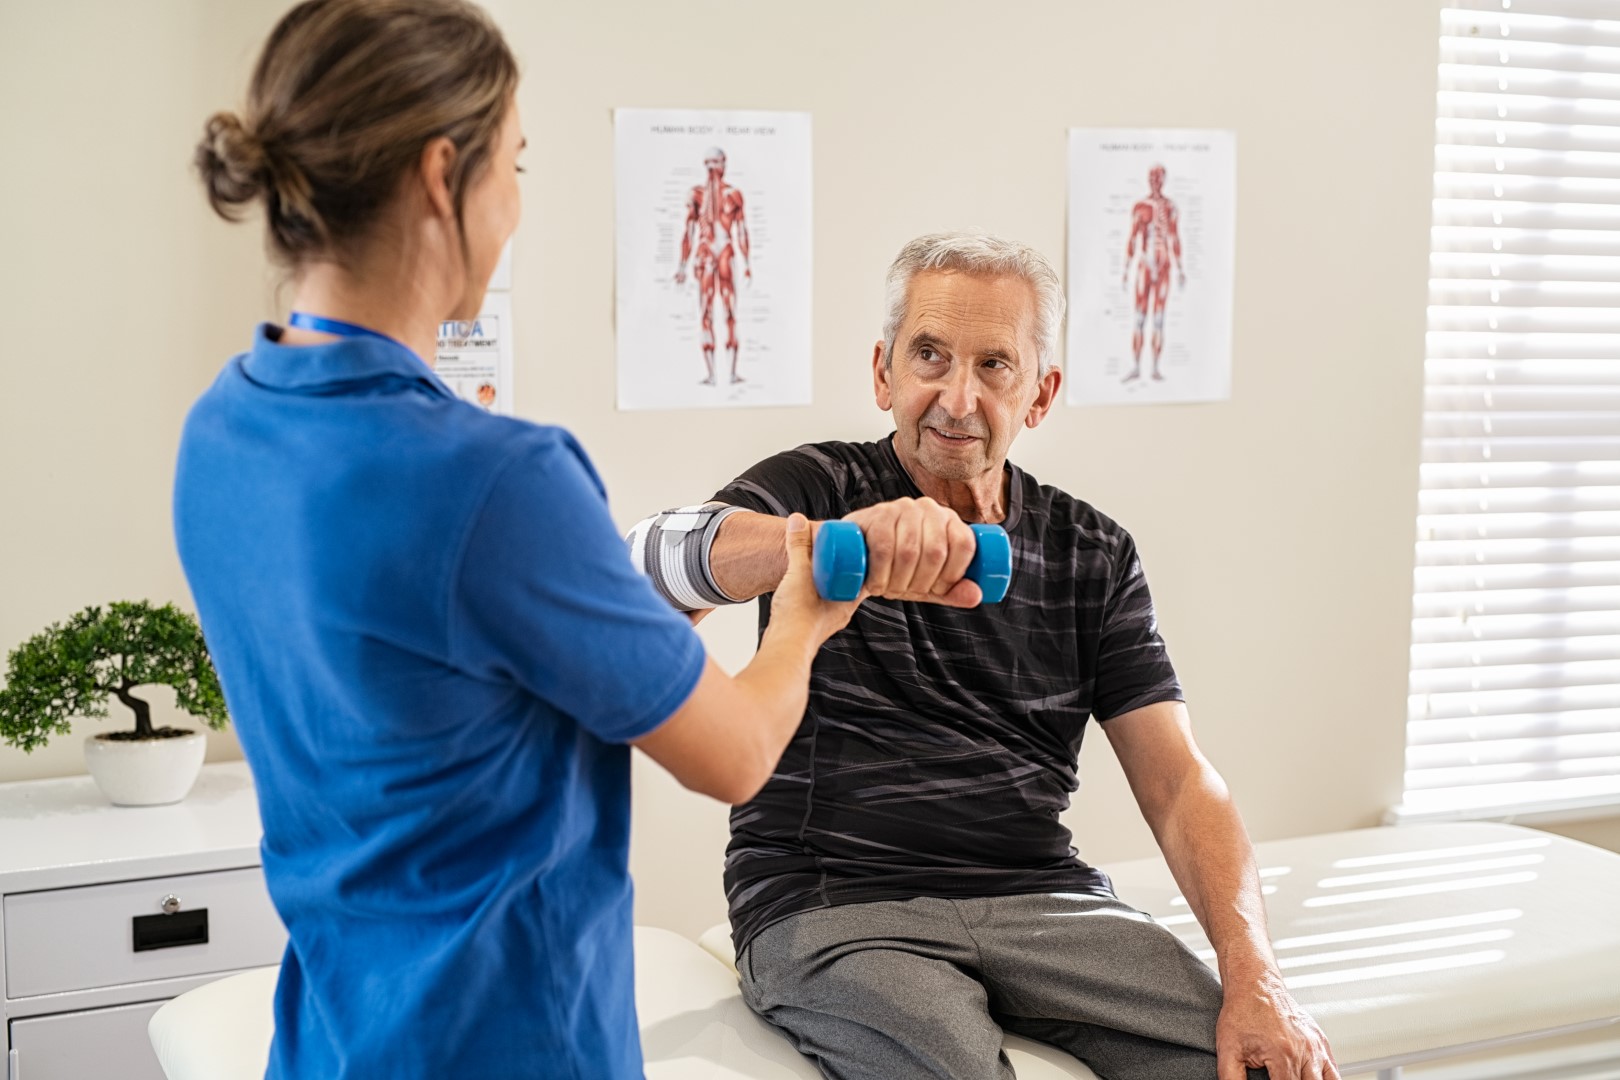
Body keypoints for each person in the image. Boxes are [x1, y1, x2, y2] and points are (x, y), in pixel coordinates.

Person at [173, 2, 857, 1077]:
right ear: (442, 176)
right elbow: (734, 755)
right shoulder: (496, 477)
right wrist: (805, 618)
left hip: (331, 1042)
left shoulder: (221, 431)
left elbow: (426, 675)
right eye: (517, 165)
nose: (518, 205)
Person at [628, 233, 1338, 1080]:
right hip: (835, 900)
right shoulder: (816, 489)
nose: (957, 398)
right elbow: (649, 561)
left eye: (994, 365)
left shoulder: (1094, 552)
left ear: (1041, 394)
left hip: (1042, 896)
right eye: (929, 355)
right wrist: (826, 544)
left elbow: (1179, 782)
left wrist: (1256, 976)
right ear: (884, 372)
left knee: (1256, 1068)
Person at [674, 146, 751, 385]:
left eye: (716, 163)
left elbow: (742, 230)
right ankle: (711, 374)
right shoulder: (696, 195)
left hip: (726, 253)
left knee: (730, 312)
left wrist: (747, 263)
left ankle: (732, 373)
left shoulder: (734, 194)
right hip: (705, 255)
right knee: (706, 312)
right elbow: (688, 232)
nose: (712, 168)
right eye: (708, 163)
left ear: (724, 164)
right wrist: (682, 265)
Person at [1122, 163, 1186, 383]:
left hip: (1164, 267)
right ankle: (1136, 367)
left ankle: (1156, 367)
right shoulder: (1141, 206)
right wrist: (1126, 268)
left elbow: (1174, 238)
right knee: (1139, 318)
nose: (1155, 182)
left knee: (1158, 319)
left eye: (1158, 178)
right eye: (1152, 178)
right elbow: (1132, 238)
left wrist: (1180, 268)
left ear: (1163, 180)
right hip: (1145, 267)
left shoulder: (1171, 207)